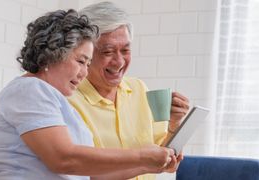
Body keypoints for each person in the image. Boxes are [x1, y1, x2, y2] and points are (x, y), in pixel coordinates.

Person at [0, 9, 180, 180]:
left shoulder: (53, 98)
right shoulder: (29, 90)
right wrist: (141, 156)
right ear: (55, 53)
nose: (85, 72)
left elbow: (91, 174)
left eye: (87, 63)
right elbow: (63, 158)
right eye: (81, 61)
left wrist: (151, 165)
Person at [68, 2, 190, 179]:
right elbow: (82, 175)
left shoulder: (138, 89)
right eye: (108, 51)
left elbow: (166, 160)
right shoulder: (70, 100)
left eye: (125, 50)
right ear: (84, 53)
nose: (119, 61)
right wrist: (145, 163)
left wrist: (174, 125)